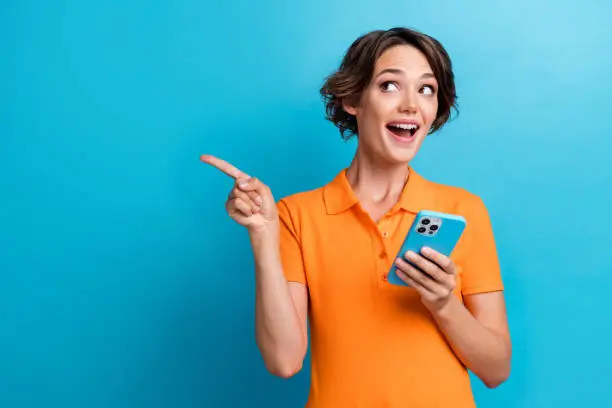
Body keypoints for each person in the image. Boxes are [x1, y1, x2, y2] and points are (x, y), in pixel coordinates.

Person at [202, 27, 511, 408]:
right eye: (389, 86)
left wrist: (444, 304)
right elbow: (284, 361)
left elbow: (496, 370)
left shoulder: (463, 211)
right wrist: (264, 236)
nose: (412, 105)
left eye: (426, 89)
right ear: (352, 99)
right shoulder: (297, 216)